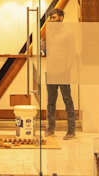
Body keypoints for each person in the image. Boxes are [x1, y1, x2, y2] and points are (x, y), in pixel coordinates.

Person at [43, 8, 76, 139]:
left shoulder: (68, 33)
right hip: (51, 70)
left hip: (63, 71)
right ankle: (50, 129)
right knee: (50, 101)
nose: (52, 20)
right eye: (50, 18)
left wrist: (67, 68)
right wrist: (43, 45)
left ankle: (71, 131)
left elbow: (72, 52)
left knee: (67, 100)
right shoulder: (49, 33)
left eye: (54, 17)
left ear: (61, 18)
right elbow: (47, 51)